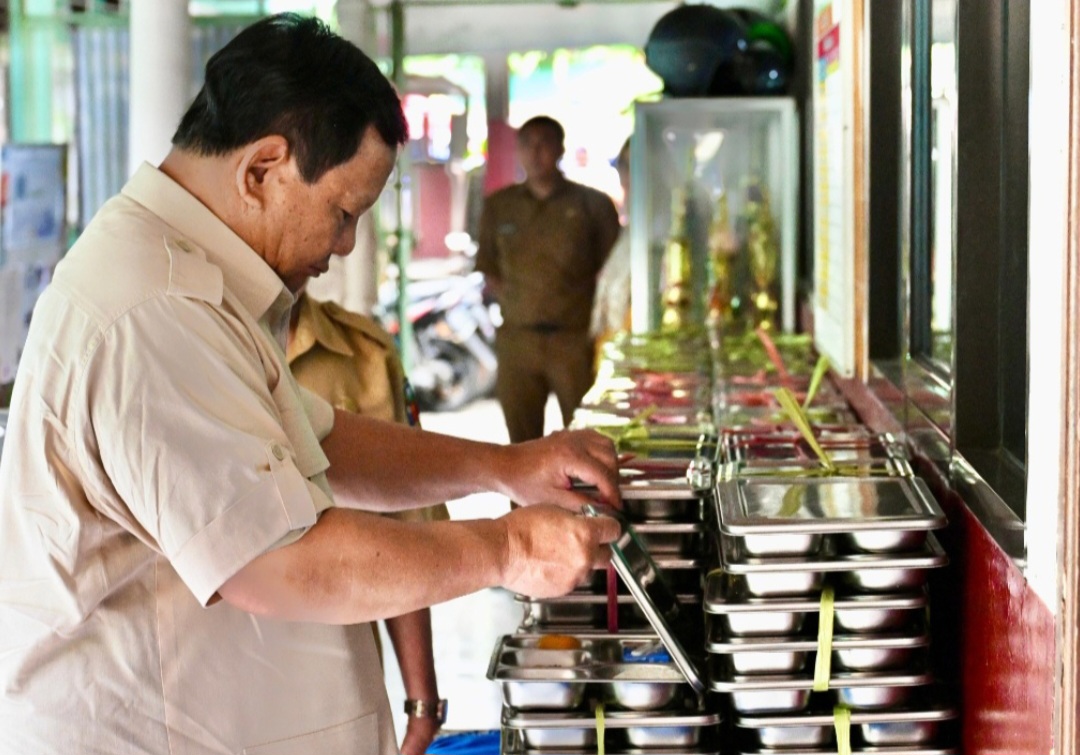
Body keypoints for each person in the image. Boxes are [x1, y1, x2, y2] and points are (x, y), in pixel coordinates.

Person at [0, 15, 621, 755]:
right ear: (263, 169)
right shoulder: (154, 307)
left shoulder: (196, 278)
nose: (344, 245)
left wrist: (505, 466)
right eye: (342, 212)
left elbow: (318, 439)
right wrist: (507, 548)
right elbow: (274, 561)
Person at [287, 288, 448, 755]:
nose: (345, 245)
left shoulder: (361, 354)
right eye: (340, 216)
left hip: (342, 683)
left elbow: (404, 532)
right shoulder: (189, 349)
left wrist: (422, 703)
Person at [476, 116, 621, 444]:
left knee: (586, 438)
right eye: (527, 144)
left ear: (560, 149)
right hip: (518, 340)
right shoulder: (500, 206)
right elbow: (490, 269)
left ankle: (585, 499)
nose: (536, 152)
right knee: (522, 446)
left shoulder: (591, 204)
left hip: (574, 340)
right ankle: (528, 500)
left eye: (544, 143)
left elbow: (614, 272)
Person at [590, 138, 633, 361]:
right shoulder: (630, 230)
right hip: (613, 353)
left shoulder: (663, 232)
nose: (627, 179)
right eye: (624, 168)